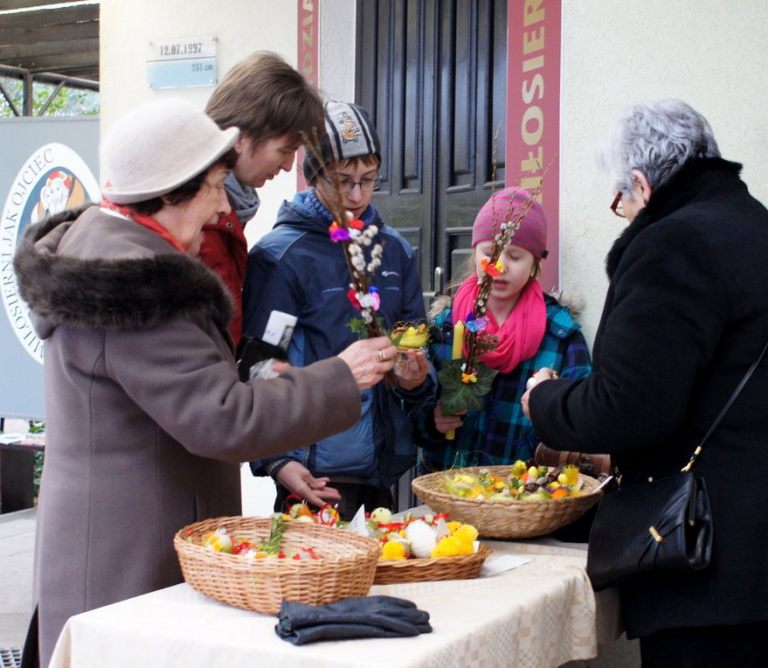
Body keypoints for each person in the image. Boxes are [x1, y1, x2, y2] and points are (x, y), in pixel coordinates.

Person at [13, 98, 397, 667]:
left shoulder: (103, 248)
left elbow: (179, 389)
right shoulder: (134, 282)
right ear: (169, 192)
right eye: (214, 187)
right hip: (131, 550)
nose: (223, 205)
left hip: (115, 534)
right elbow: (222, 419)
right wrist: (342, 375)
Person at [522, 99, 768, 666]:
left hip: (710, 564)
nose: (624, 211)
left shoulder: (675, 244)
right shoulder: (754, 225)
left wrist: (546, 400)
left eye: (621, 200)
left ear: (641, 184)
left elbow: (629, 406)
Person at [242, 101, 433, 519]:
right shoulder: (282, 257)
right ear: (313, 176)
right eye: (342, 181)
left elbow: (416, 346)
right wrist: (275, 461)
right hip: (313, 480)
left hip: (382, 473)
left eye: (368, 180)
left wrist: (416, 378)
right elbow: (258, 368)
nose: (357, 195)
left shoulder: (395, 252)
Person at [413, 187, 591, 471]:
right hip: (447, 496)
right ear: (474, 253)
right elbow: (409, 416)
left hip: (523, 503)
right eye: (489, 253)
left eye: (515, 256)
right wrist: (431, 420)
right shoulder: (444, 328)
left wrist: (550, 407)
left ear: (535, 262)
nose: (498, 266)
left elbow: (583, 427)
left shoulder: (561, 338)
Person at [202, 52, 324, 345]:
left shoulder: (230, 212)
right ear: (240, 136)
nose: (287, 166)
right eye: (285, 150)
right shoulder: (195, 218)